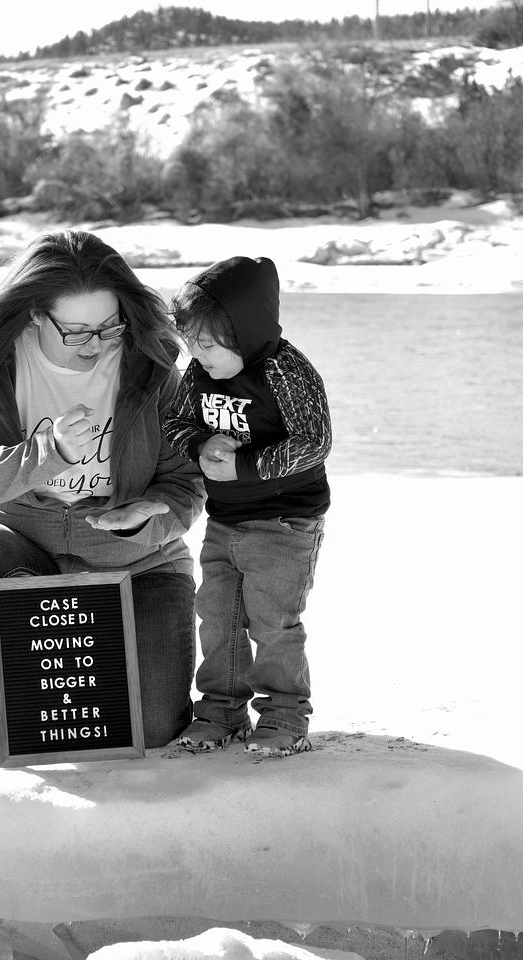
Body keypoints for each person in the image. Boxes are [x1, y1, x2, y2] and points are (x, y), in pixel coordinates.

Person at [0, 230, 204, 749]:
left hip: (140, 565)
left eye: (109, 326)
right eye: (76, 332)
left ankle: (106, 659)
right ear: (35, 313)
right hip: (28, 559)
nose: (96, 345)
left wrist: (149, 516)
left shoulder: (155, 366)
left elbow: (186, 483)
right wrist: (46, 453)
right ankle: (1, 701)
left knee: (151, 728)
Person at [162, 255, 331, 757]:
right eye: (190, 343)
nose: (197, 355)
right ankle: (221, 710)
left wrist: (245, 466)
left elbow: (314, 441)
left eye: (208, 344)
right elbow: (176, 422)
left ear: (245, 331)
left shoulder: (286, 372)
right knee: (217, 616)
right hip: (225, 520)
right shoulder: (199, 372)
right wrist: (200, 446)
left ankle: (284, 716)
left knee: (272, 621)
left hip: (285, 520)